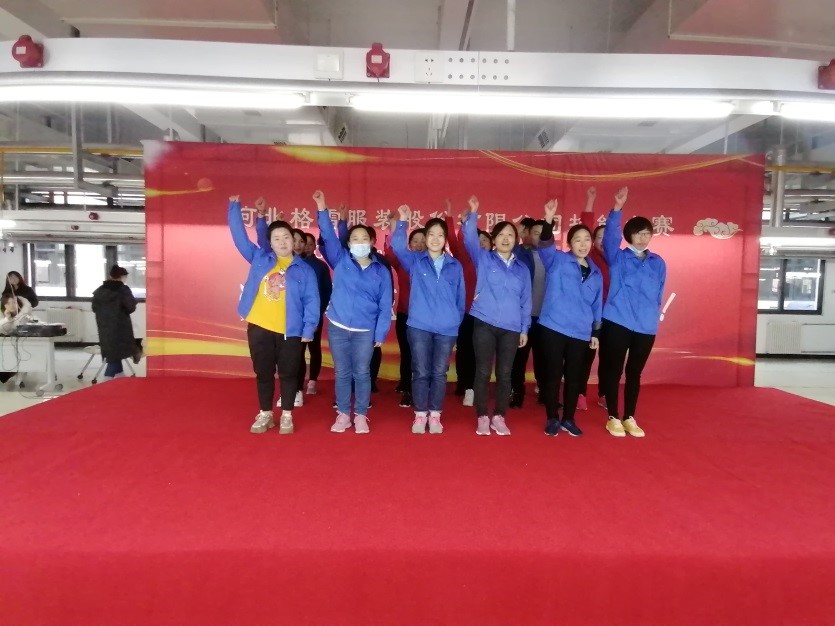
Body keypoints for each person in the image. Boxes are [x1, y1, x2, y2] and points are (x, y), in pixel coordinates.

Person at [228, 195, 319, 436]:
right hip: (259, 327)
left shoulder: (305, 270)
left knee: (289, 373)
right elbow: (239, 238)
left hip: (290, 331)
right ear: (270, 242)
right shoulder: (260, 258)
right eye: (276, 238)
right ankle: (265, 413)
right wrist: (234, 208)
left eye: (286, 237)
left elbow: (312, 301)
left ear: (294, 240)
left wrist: (309, 329)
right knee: (263, 373)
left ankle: (287, 414)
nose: (282, 242)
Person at [461, 196, 531, 436]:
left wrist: (524, 328)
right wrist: (473, 213)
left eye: (510, 235)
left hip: (511, 327)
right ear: (493, 239)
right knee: (482, 371)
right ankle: (482, 416)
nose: (506, 238)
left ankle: (499, 416)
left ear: (516, 240)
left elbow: (526, 301)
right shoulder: (483, 258)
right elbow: (469, 238)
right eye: (501, 235)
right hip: (484, 322)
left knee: (505, 373)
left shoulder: (522, 269)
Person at [599, 187, 666, 438]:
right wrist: (617, 209)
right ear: (629, 235)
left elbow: (659, 292)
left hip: (645, 325)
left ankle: (629, 416)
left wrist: (652, 315)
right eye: (638, 233)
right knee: (614, 370)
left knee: (634, 372)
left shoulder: (658, 262)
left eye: (647, 233)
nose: (643, 238)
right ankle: (613, 416)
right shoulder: (618, 257)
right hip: (618, 320)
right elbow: (609, 238)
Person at [392, 205, 465, 435]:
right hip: (419, 326)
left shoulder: (455, 266)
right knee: (421, 371)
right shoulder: (415, 261)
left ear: (445, 239)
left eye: (440, 235)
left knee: (439, 373)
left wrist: (454, 323)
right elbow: (396, 246)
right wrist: (403, 221)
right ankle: (420, 413)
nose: (435, 239)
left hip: (446, 329)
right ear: (425, 237)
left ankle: (435, 415)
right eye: (430, 234)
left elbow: (460, 299)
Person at [537, 199, 604, 437]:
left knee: (575, 377)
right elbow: (545, 243)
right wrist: (548, 218)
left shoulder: (596, 272)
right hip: (553, 327)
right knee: (553, 374)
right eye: (577, 240)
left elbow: (597, 305)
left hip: (580, 331)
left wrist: (595, 332)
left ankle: (569, 418)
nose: (583, 244)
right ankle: (552, 418)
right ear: (569, 243)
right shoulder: (556, 259)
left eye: (587, 240)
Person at [384, 222, 426, 408]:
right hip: (405, 314)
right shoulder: (404, 261)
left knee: (421, 355)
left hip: (425, 318)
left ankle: (418, 389)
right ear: (409, 244)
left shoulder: (433, 264)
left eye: (423, 241)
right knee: (407, 352)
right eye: (415, 241)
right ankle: (406, 385)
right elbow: (390, 253)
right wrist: (393, 229)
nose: (419, 244)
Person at [578, 187, 612, 411]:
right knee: (586, 356)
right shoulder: (590, 256)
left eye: (605, 237)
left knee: (609, 358)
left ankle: (604, 393)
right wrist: (590, 201)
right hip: (591, 317)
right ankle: (579, 392)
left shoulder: (618, 259)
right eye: (598, 237)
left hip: (614, 317)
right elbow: (586, 226)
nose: (601, 241)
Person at [444, 202, 477, 408]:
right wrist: (451, 217)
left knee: (476, 353)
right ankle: (464, 384)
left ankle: (472, 387)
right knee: (464, 350)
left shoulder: (488, 261)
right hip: (463, 313)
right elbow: (453, 239)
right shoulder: (463, 258)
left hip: (483, 315)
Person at [92, 265, 139, 380]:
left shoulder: (100, 290)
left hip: (104, 327)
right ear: (122, 276)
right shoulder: (123, 290)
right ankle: (107, 379)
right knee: (117, 352)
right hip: (120, 326)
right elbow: (130, 307)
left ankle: (119, 375)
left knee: (113, 352)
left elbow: (94, 308)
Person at [509, 217, 537, 408]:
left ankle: (544, 392)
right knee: (518, 357)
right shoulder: (516, 253)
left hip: (544, 316)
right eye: (534, 232)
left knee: (544, 357)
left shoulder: (549, 256)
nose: (538, 237)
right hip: (521, 315)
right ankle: (516, 391)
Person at [300, 232, 332, 396]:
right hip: (296, 316)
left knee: (314, 347)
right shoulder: (293, 263)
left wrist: (319, 310)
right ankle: (298, 384)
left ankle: (312, 381)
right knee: (297, 350)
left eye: (311, 244)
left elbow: (327, 291)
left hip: (314, 314)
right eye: (304, 243)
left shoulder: (320, 266)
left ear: (315, 247)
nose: (307, 247)